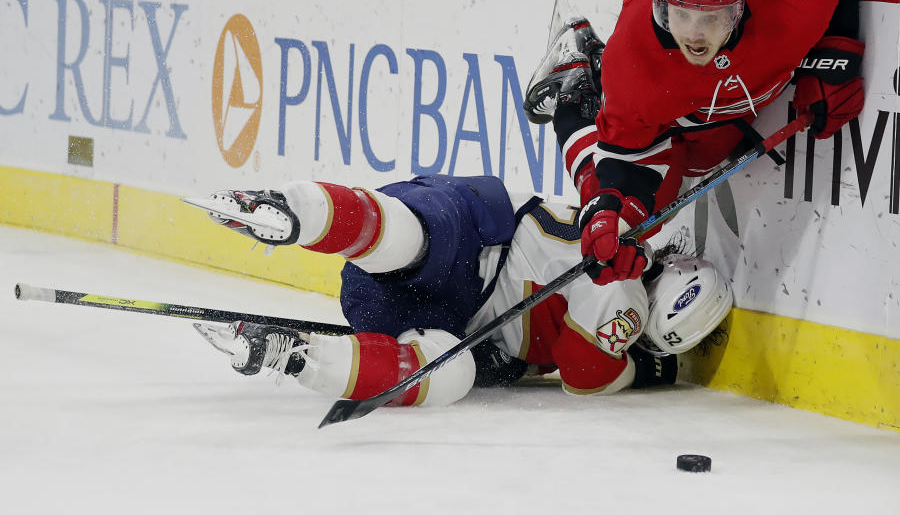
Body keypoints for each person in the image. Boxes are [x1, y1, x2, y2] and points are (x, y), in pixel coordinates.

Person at [193, 174, 732, 407]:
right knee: (421, 251)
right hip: (469, 242)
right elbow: (586, 376)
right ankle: (295, 347)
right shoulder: (627, 297)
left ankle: (302, 224)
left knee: (450, 365)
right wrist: (649, 373)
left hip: (442, 277)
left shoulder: (624, 272)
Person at [524, 0, 867, 285]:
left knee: (702, 161)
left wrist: (834, 60)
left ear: (739, 5)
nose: (693, 35)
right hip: (669, 114)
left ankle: (591, 64)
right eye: (681, 14)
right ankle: (573, 82)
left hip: (719, 113)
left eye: (710, 18)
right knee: (626, 217)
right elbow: (623, 161)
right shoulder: (635, 56)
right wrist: (610, 214)